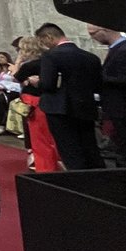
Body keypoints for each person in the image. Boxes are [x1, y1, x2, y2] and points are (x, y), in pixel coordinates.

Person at [28, 22, 104, 170]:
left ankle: (78, 182)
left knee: (69, 149)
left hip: (59, 109)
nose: (44, 45)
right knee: (90, 147)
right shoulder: (91, 57)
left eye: (43, 41)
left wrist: (37, 82)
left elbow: (48, 85)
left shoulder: (51, 56)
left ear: (49, 37)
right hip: (86, 107)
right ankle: (100, 180)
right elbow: (97, 85)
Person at [89, 23, 126, 168]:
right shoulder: (118, 49)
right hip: (120, 109)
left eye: (93, 33)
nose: (93, 38)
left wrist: (99, 77)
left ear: (105, 29)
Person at [14, 36, 59, 172]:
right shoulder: (50, 60)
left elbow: (17, 77)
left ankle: (45, 168)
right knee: (52, 136)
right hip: (50, 101)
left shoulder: (30, 65)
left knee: (40, 138)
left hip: (35, 102)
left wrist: (18, 62)